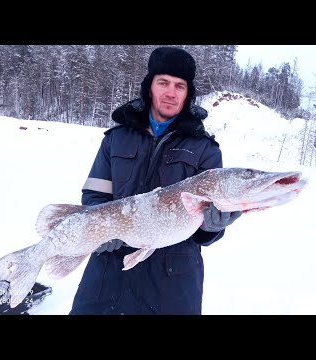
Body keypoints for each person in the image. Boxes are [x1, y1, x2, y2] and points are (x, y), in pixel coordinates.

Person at [69, 46, 242, 315]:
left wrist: (213, 226)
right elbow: (95, 196)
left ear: (188, 94)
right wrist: (101, 230)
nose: (171, 92)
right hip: (107, 277)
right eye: (163, 82)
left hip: (172, 285)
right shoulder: (116, 139)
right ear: (150, 86)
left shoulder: (205, 149)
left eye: (180, 86)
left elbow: (205, 231)